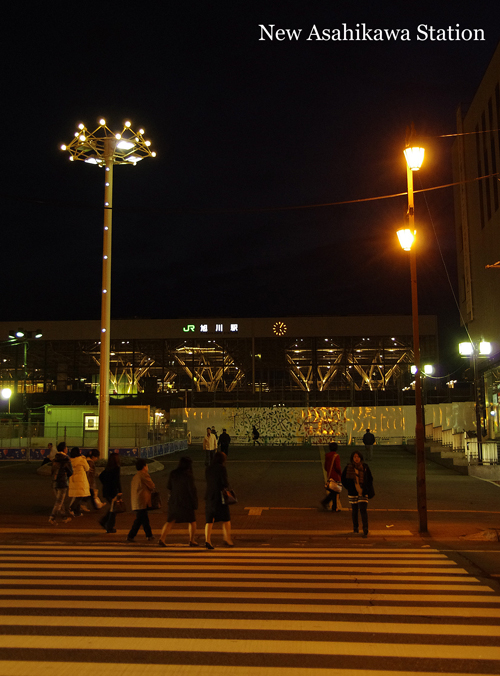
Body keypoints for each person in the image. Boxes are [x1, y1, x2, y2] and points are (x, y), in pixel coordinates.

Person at [158, 456, 198, 547]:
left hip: (174, 500)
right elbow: (192, 490)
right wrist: (194, 502)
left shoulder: (173, 473)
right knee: (192, 521)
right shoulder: (188, 476)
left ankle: (162, 538)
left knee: (170, 520)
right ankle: (192, 540)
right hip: (186, 502)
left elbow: (169, 486)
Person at [341, 451, 374, 538]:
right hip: (353, 492)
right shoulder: (348, 467)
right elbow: (343, 479)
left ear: (361, 458)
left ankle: (365, 528)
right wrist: (349, 487)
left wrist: (366, 489)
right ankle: (355, 527)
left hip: (363, 492)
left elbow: (370, 479)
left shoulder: (365, 467)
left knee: (363, 510)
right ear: (352, 458)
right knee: (354, 510)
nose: (356, 458)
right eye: (355, 457)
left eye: (358, 457)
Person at [204, 451, 233, 549]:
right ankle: (227, 538)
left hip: (210, 495)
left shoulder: (208, 469)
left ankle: (207, 540)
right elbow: (224, 482)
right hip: (220, 496)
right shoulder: (222, 468)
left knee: (209, 519)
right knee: (226, 518)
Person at [126, 458, 156, 543]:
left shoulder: (136, 476)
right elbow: (152, 486)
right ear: (144, 466)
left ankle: (149, 535)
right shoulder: (144, 475)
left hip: (137, 501)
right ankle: (131, 535)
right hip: (142, 501)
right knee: (140, 519)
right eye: (146, 465)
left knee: (143, 519)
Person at [49, 442, 73, 525]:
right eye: (66, 448)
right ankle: (52, 517)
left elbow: (52, 471)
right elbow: (70, 472)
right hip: (62, 483)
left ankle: (64, 517)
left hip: (54, 482)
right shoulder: (66, 459)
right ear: (64, 449)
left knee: (60, 501)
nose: (67, 449)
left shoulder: (55, 459)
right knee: (59, 502)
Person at [98, 452, 122, 533]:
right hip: (113, 491)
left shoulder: (108, 468)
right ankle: (109, 526)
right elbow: (117, 481)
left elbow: (101, 476)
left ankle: (104, 521)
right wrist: (119, 491)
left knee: (112, 508)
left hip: (106, 490)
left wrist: (105, 484)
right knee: (114, 510)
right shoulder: (116, 468)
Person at [68, 447, 90, 516]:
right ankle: (71, 508)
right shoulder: (81, 459)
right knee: (80, 496)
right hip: (81, 480)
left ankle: (77, 512)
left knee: (77, 495)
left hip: (73, 480)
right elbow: (87, 468)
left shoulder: (70, 460)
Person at [320, 441, 341, 511]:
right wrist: (340, 473)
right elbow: (338, 467)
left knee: (333, 491)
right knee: (335, 491)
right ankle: (325, 502)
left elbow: (325, 467)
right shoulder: (336, 456)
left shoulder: (327, 456)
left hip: (329, 475)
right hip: (335, 476)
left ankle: (334, 507)